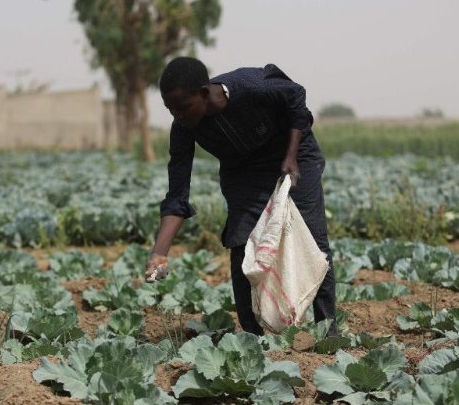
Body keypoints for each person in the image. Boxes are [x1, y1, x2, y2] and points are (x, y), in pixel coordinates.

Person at [144, 57, 337, 336]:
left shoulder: (249, 85)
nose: (177, 116)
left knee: (314, 241)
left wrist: (292, 154)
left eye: (183, 107)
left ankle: (327, 331)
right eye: (170, 109)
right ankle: (252, 337)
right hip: (243, 172)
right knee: (240, 242)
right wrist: (159, 253)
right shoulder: (184, 128)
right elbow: (177, 194)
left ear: (203, 93)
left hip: (294, 155)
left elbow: (295, 94)